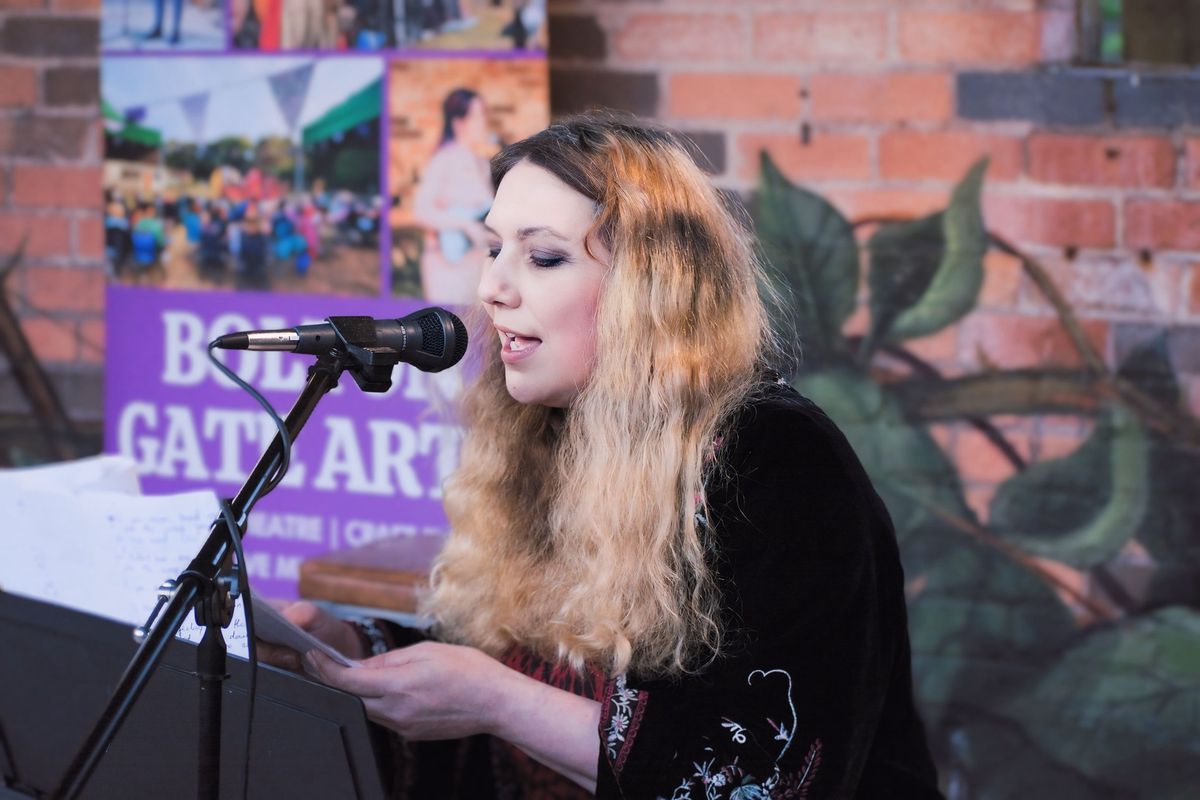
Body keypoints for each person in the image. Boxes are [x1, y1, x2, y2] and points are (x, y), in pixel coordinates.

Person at [263, 114, 943, 798]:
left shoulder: (774, 459)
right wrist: (344, 652)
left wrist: (499, 703)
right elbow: (500, 670)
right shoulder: (551, 432)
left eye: (544, 256)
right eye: (492, 248)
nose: (492, 288)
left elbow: (755, 769)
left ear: (648, 290)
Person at [410, 87, 495, 306]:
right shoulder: (444, 160)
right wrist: (465, 225)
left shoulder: (483, 163)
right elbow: (422, 211)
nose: (483, 121)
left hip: (479, 266)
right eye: (477, 115)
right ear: (459, 123)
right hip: (449, 268)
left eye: (484, 114)